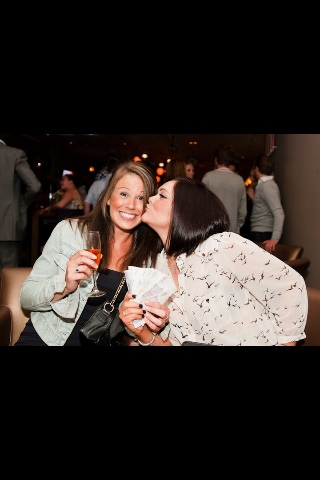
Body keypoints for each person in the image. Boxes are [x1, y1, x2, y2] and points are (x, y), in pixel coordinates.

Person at [119, 176, 308, 346]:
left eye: (162, 195)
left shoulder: (220, 246)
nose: (150, 199)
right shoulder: (156, 268)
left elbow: (290, 287)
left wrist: (286, 344)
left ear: (184, 209)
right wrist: (139, 328)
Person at [16, 161, 169, 346]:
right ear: (107, 198)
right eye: (124, 194)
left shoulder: (149, 256)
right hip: (46, 339)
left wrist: (143, 319)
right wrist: (65, 285)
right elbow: (26, 297)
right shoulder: (69, 231)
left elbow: (132, 329)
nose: (131, 205)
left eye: (140, 198)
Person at [0, 134, 42, 272]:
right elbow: (34, 186)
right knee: (7, 275)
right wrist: (23, 204)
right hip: (7, 225)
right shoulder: (14, 154)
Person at [202, 144, 247, 234]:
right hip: (232, 232)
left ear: (216, 160)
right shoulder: (239, 180)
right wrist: (236, 226)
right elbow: (243, 212)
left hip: (211, 232)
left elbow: (202, 206)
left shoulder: (208, 177)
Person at [249, 155, 285, 254]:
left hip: (263, 233)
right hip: (261, 231)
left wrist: (275, 238)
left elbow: (279, 213)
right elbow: (263, 206)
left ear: (256, 169)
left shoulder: (267, 186)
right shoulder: (264, 185)